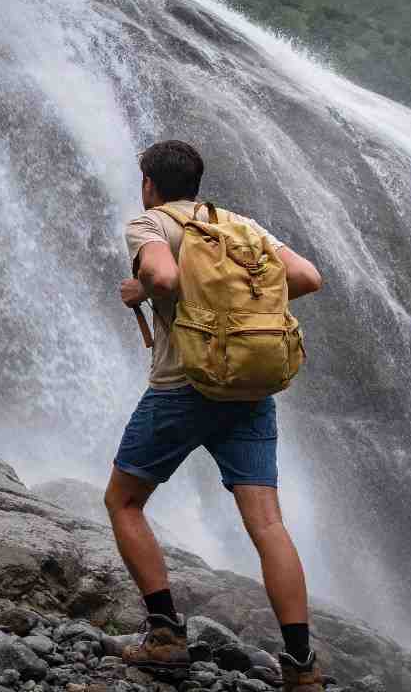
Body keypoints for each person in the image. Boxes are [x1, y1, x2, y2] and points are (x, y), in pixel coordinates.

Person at [107, 140, 326, 690]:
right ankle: (301, 666)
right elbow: (306, 278)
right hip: (249, 393)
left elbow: (163, 279)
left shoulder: (151, 224)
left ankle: (163, 635)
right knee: (268, 524)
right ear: (197, 183)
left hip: (182, 388)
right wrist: (239, 309)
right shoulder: (238, 225)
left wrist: (144, 288)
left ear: (150, 185)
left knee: (124, 501)